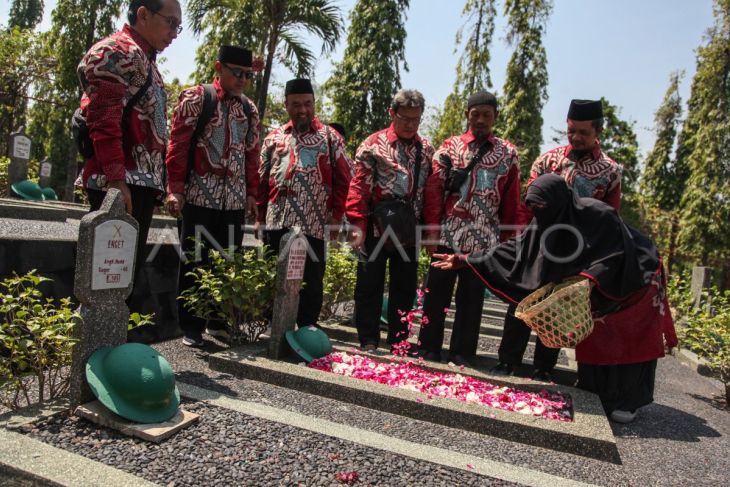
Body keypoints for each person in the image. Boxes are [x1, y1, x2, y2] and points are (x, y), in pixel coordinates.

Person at [432, 174, 677, 423]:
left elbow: (614, 253)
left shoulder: (598, 214)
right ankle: (600, 391)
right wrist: (463, 259)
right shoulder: (544, 222)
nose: (539, 213)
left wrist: (591, 277)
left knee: (630, 341)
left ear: (560, 199)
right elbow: (515, 250)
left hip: (636, 279)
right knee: (597, 338)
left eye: (543, 206)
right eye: (534, 207)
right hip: (594, 286)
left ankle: (628, 401)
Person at [494, 99, 624, 380]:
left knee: (557, 308)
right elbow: (525, 206)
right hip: (538, 245)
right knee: (521, 300)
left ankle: (544, 367)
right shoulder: (548, 161)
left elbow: (610, 219)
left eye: (584, 133)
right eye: (571, 131)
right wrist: (520, 242)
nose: (576, 138)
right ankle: (508, 360)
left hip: (576, 252)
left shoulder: (610, 171)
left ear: (598, 131)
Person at [76, 0, 181, 304]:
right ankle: (94, 349)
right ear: (143, 14)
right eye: (170, 23)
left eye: (179, 26)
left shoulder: (146, 59)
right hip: (120, 182)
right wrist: (115, 178)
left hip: (138, 184)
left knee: (122, 281)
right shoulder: (117, 51)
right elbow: (104, 119)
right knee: (102, 280)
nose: (174, 33)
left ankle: (113, 347)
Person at [418, 91, 524, 365]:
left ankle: (462, 353)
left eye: (486, 115)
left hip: (485, 243)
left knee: (472, 299)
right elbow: (434, 191)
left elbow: (512, 201)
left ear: (495, 117)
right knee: (436, 295)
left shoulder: (508, 154)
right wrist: (430, 233)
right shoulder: (449, 148)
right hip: (446, 235)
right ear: (467, 115)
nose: (480, 120)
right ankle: (428, 347)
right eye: (475, 114)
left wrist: (508, 241)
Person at [165, 45, 260, 347]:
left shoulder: (249, 110)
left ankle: (219, 323)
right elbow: (177, 147)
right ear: (219, 68)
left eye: (248, 74)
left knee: (227, 262)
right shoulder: (197, 99)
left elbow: (252, 155)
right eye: (237, 72)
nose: (243, 79)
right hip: (198, 196)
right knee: (194, 261)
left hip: (232, 199)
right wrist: (175, 190)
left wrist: (251, 195)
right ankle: (191, 327)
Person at [257, 78, 352, 329]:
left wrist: (336, 216)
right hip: (276, 220)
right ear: (286, 104)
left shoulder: (330, 138)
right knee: (272, 274)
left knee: (311, 279)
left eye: (307, 104)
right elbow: (261, 179)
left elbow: (345, 179)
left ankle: (307, 327)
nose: (302, 110)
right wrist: (258, 216)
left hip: (315, 222)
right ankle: (270, 327)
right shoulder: (274, 137)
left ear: (314, 103)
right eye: (296, 104)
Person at [345, 89, 435, 352]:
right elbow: (359, 188)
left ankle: (398, 341)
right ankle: (368, 340)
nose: (410, 125)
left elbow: (431, 192)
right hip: (375, 227)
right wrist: (357, 226)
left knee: (405, 289)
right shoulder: (373, 144)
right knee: (368, 285)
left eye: (415, 120)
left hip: (409, 229)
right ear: (392, 113)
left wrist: (430, 230)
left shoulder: (426, 148)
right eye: (405, 118)